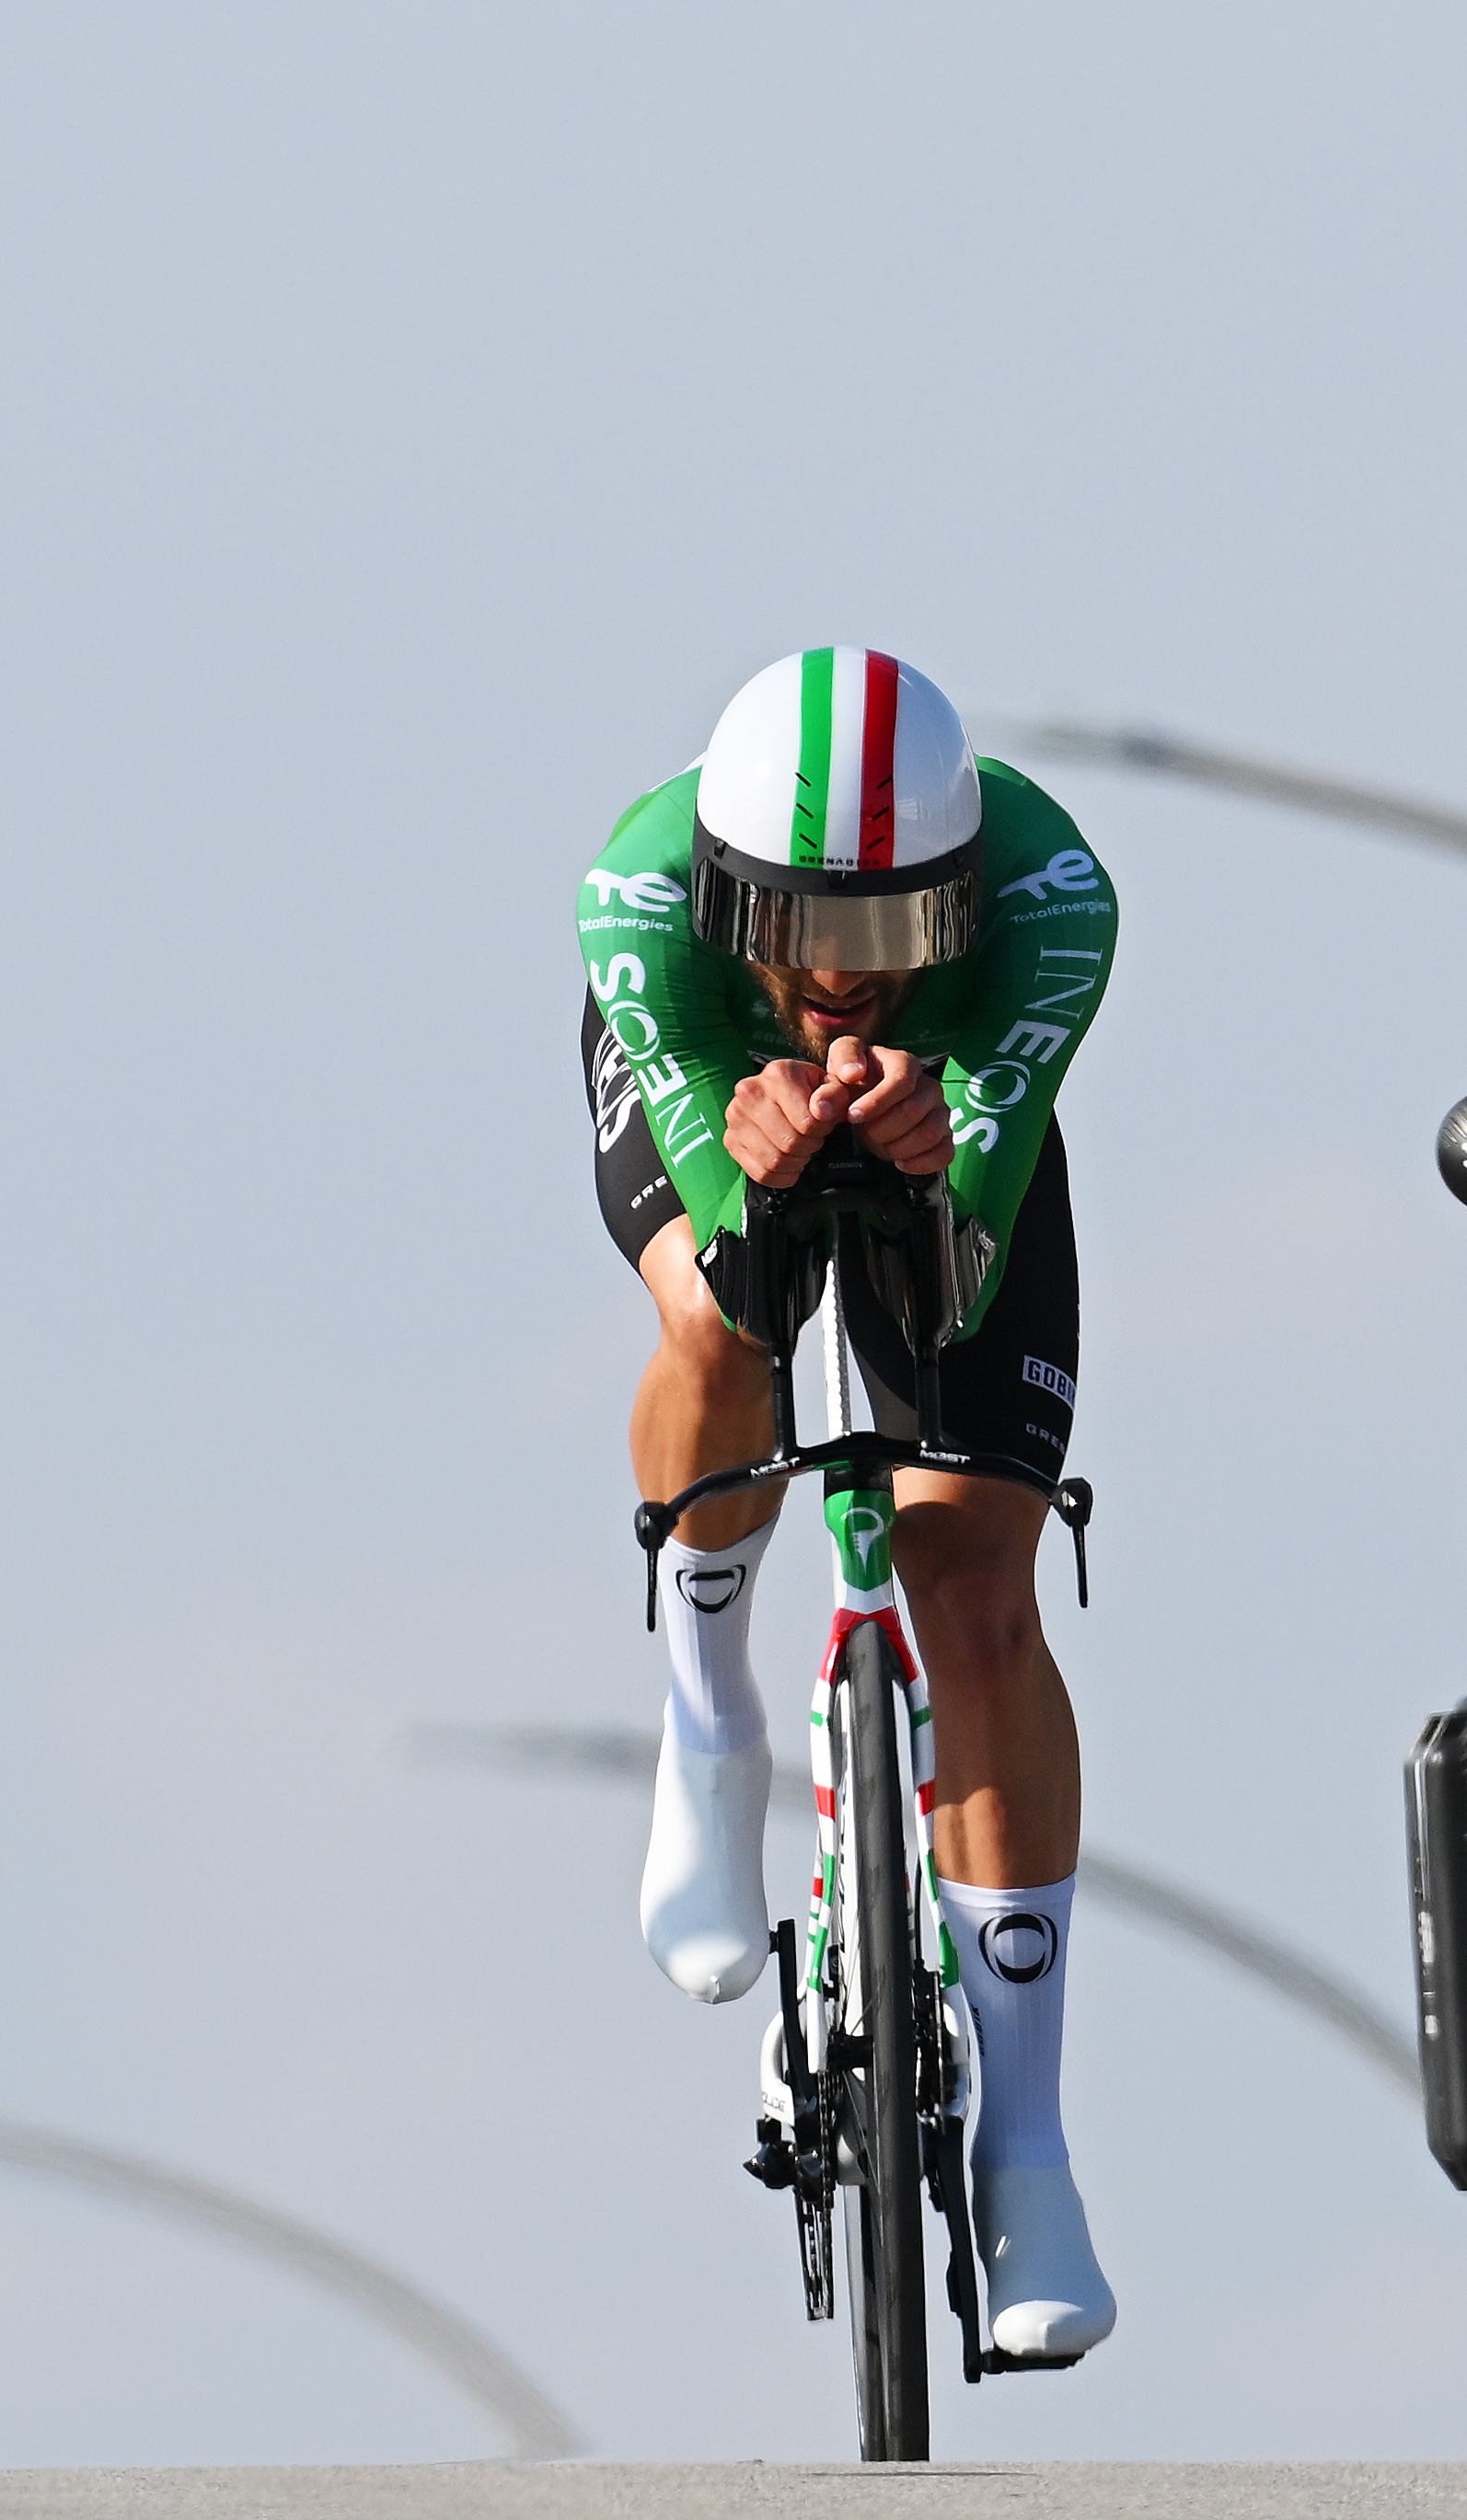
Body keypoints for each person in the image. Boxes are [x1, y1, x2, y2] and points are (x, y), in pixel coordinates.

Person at [578, 646, 1118, 2360]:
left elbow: (968, 1245)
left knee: (976, 1581)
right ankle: (711, 1722)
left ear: (956, 903)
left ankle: (1027, 2143)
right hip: (706, 1106)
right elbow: (741, 1267)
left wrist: (930, 1138)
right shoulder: (642, 901)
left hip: (961, 1119)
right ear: (731, 901)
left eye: (890, 937)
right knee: (710, 1327)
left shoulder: (1055, 899)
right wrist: (748, 1157)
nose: (837, 980)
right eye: (800, 933)